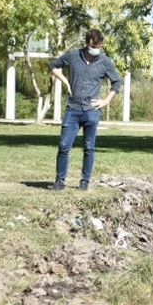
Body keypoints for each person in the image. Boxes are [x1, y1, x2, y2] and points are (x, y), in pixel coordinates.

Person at [48, 29, 122, 191]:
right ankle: (59, 181)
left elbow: (117, 82)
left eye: (99, 46)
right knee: (64, 146)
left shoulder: (104, 62)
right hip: (72, 109)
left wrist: (105, 101)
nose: (96, 49)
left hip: (91, 111)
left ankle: (84, 182)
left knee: (89, 147)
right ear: (87, 43)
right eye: (93, 46)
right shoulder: (73, 56)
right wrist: (66, 82)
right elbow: (53, 65)